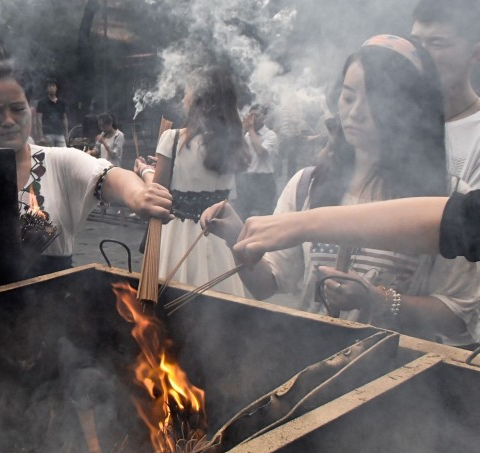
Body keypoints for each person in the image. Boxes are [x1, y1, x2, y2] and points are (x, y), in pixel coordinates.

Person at [202, 35, 480, 346]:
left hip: (399, 376)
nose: (355, 112)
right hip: (307, 361)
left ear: (411, 109)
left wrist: (377, 300)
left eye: (374, 100)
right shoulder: (307, 184)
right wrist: (238, 240)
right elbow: (268, 284)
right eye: (348, 97)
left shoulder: (445, 201)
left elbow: (459, 315)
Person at [0, 60, 172, 295]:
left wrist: (138, 195)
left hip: (55, 310)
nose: (8, 121)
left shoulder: (59, 161)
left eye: (18, 109)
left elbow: (110, 176)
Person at [134, 66, 250, 295]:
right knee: (219, 303)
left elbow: (158, 194)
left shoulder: (173, 138)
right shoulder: (233, 144)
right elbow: (227, 197)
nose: (184, 98)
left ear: (199, 98)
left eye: (187, 91)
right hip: (219, 237)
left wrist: (145, 171)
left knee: (171, 304)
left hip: (177, 237)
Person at [411, 0, 480, 187]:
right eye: (416, 43)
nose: (420, 55)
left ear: (475, 53)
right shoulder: (391, 120)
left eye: (437, 43)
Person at [234, 104, 279, 220]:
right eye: (251, 115)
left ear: (264, 117)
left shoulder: (270, 135)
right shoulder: (246, 134)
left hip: (264, 179)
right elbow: (234, 152)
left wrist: (250, 129)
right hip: (246, 178)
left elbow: (260, 151)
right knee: (242, 215)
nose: (253, 119)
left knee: (264, 216)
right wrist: (243, 131)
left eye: (257, 116)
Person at [36, 79, 69, 147]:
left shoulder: (61, 103)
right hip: (47, 134)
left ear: (56, 88)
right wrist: (41, 136)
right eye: (50, 86)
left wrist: (66, 134)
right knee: (50, 155)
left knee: (63, 154)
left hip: (60, 134)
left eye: (53, 86)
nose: (52, 88)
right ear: (47, 88)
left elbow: (64, 118)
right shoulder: (42, 102)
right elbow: (39, 119)